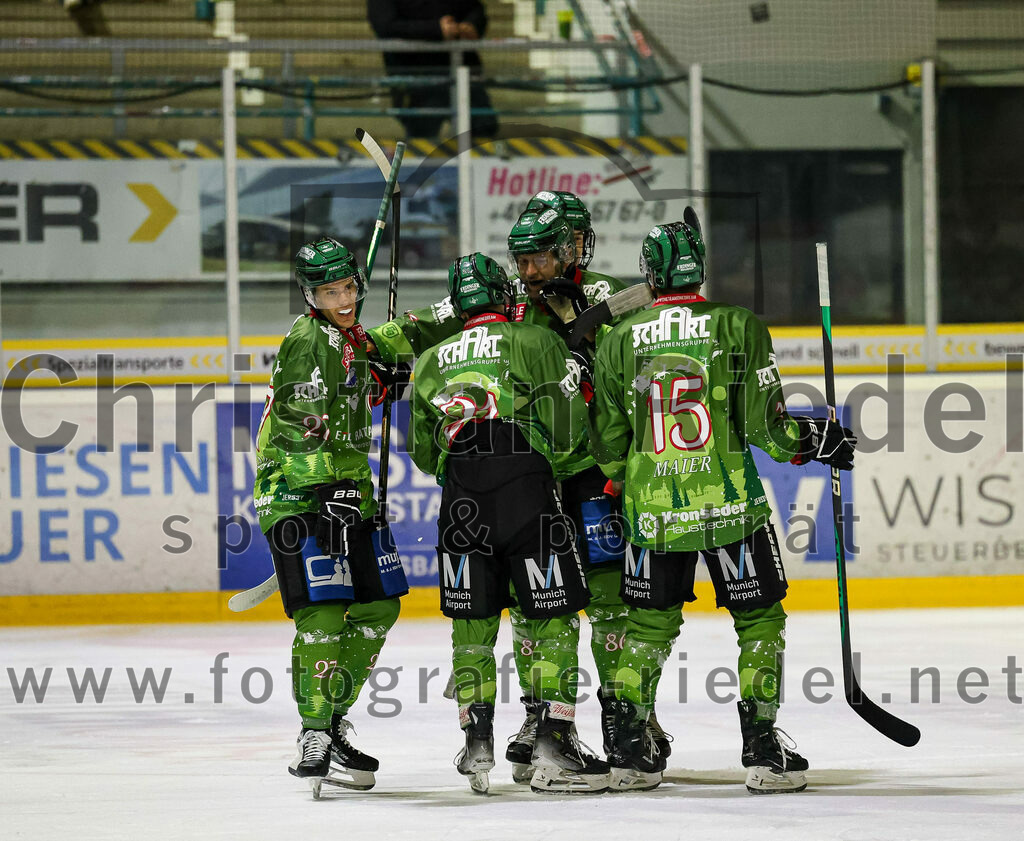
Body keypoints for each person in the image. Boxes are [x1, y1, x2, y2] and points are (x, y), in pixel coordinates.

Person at [365, 205, 669, 782]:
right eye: (524, 259)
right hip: (533, 477)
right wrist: (367, 346)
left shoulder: (609, 295)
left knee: (607, 600)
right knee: (537, 607)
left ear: (576, 246)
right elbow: (412, 330)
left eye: (544, 256)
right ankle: (543, 720)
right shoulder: (506, 302)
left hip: (589, 471)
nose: (532, 270)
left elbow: (657, 348)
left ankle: (628, 718)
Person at [589, 216, 857, 792]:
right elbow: (771, 428)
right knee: (759, 619)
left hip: (654, 510)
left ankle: (630, 750)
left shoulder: (616, 339)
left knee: (648, 625)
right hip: (732, 506)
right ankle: (762, 748)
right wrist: (815, 441)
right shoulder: (738, 327)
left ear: (649, 275)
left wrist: (627, 481)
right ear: (700, 269)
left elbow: (609, 445)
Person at [408, 252, 609, 794]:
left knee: (471, 626)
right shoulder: (535, 341)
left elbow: (423, 455)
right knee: (552, 617)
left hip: (461, 502)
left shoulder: (430, 360)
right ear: (504, 296)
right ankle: (553, 740)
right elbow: (568, 431)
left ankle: (476, 743)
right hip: (526, 493)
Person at [253, 237, 411, 795]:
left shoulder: (349, 341)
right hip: (300, 493)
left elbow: (373, 366)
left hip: (348, 492)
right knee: (323, 614)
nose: (341, 298)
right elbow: (298, 420)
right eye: (328, 291)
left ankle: (329, 719)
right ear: (309, 295)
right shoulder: (306, 338)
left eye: (346, 288)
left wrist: (382, 381)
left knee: (379, 605)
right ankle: (316, 734)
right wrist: (324, 489)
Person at [367, 0, 499, 141]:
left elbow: (475, 9)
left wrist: (471, 25)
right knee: (422, 132)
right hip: (417, 79)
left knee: (484, 127)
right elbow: (385, 26)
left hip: (463, 75)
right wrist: (435, 29)